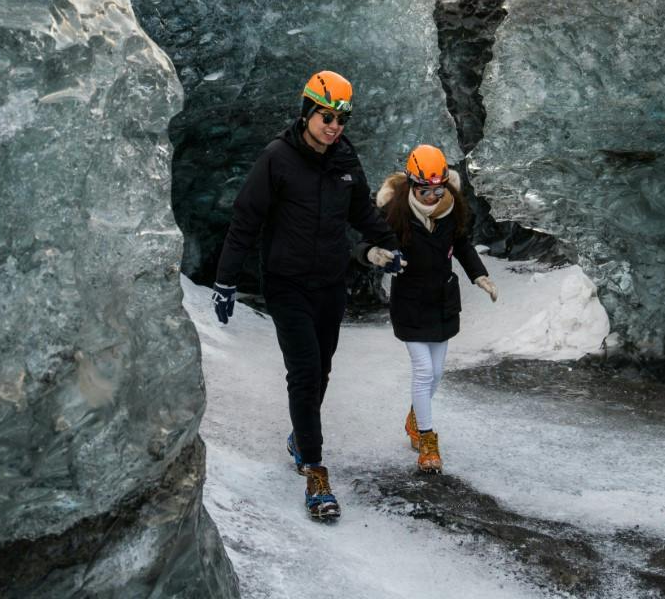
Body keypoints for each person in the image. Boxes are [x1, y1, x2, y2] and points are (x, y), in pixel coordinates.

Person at [209, 70, 403, 521]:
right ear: (307, 112)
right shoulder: (277, 158)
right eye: (326, 116)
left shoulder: (345, 160)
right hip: (287, 283)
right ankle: (315, 470)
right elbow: (245, 220)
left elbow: (364, 215)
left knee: (324, 368)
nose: (333, 126)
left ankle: (302, 435)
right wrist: (226, 280)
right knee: (305, 370)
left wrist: (394, 248)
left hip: (330, 282)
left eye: (341, 119)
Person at [376, 144, 497, 473]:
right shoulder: (395, 212)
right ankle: (428, 442)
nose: (432, 196)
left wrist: (479, 275)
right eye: (425, 190)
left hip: (442, 302)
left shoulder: (452, 208)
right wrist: (378, 256)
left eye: (438, 189)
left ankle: (416, 420)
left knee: (438, 372)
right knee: (424, 371)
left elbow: (461, 244)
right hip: (410, 303)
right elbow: (371, 242)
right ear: (412, 186)